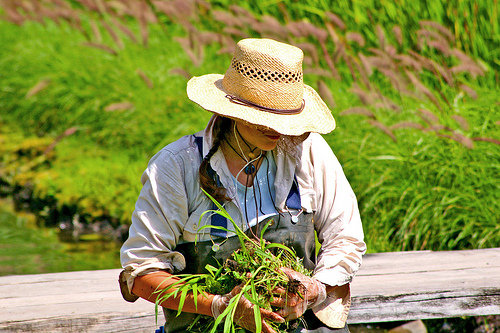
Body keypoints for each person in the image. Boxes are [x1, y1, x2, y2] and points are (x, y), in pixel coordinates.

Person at [119, 38, 366, 333]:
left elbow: (346, 237)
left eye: (285, 120)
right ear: (234, 112)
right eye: (264, 119)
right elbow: (143, 272)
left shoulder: (308, 151)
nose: (278, 129)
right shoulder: (176, 165)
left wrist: (315, 289)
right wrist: (220, 306)